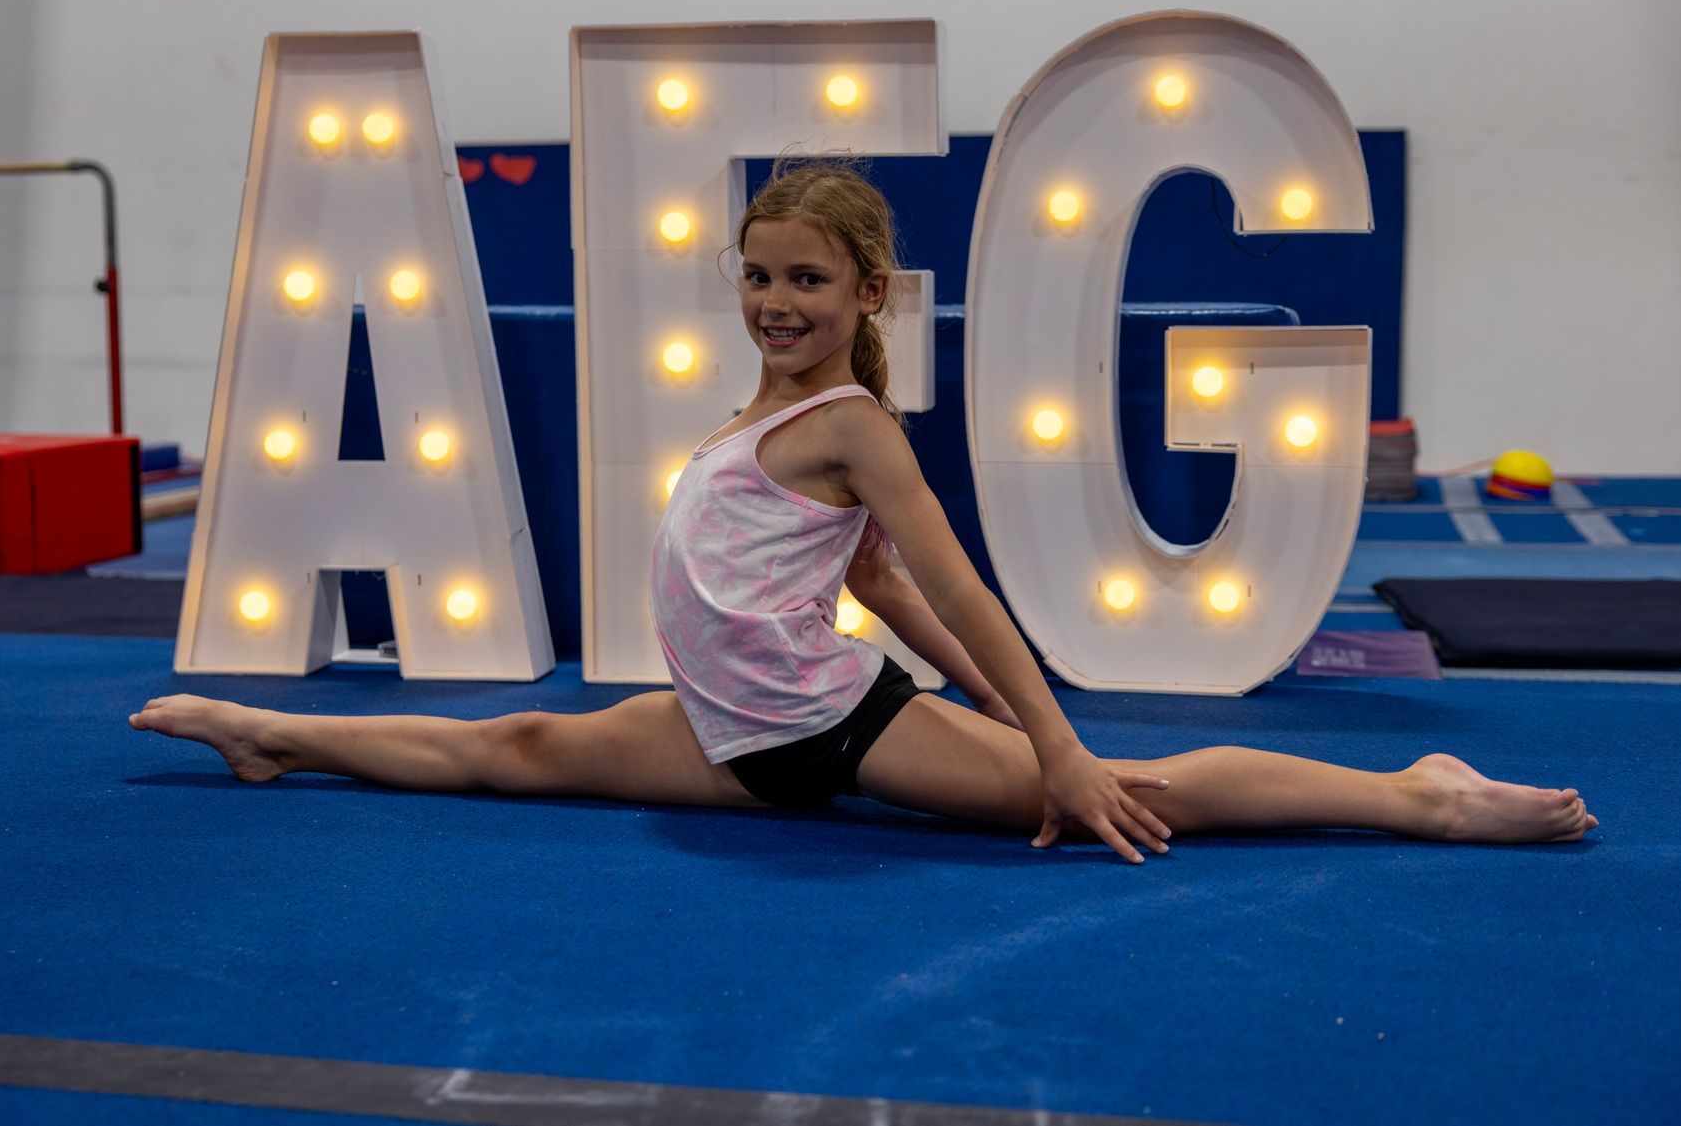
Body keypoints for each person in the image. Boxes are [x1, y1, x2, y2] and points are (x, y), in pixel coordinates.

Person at [132, 161, 1597, 862]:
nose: (778, 301)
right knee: (512, 745)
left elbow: (953, 587)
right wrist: (1000, 716)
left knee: (1135, 794)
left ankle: (1420, 791)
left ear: (867, 295)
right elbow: (882, 584)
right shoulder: (762, 420)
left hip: (824, 728)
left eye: (809, 282)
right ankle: (278, 734)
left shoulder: (851, 425)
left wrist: (1058, 751)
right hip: (725, 728)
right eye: (760, 276)